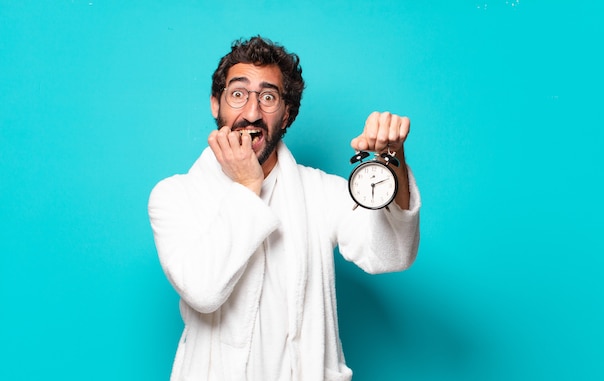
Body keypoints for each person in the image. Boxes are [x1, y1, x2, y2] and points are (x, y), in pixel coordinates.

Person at [148, 36, 421, 381]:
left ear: (287, 114)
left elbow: (392, 254)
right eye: (237, 94)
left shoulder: (321, 192)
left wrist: (392, 158)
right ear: (215, 105)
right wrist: (249, 186)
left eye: (268, 97)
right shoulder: (174, 196)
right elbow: (203, 291)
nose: (251, 113)